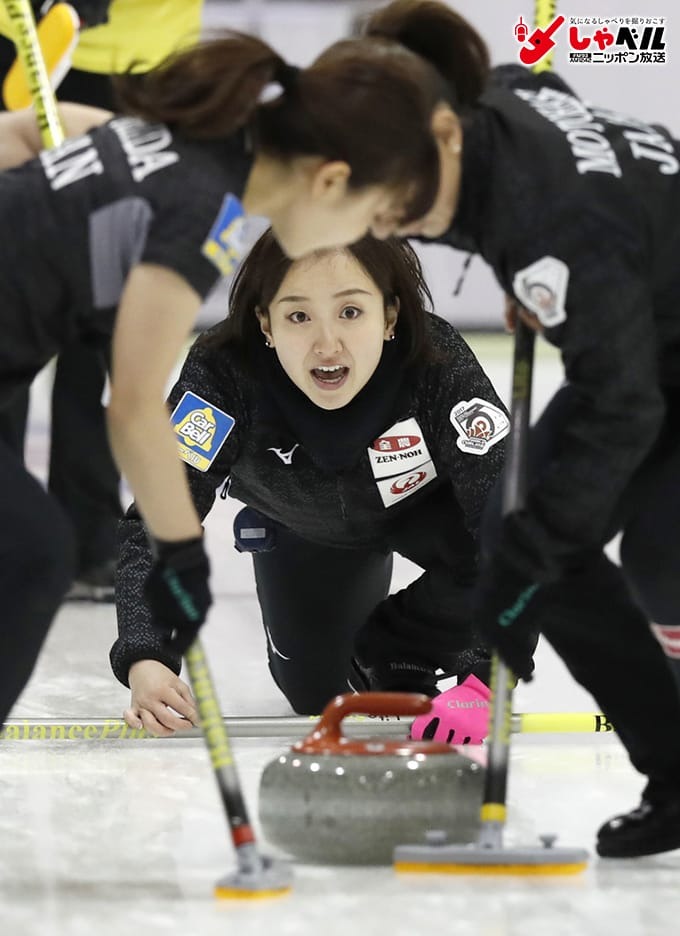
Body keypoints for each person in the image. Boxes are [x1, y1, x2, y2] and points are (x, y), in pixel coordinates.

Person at [0, 23, 473, 730]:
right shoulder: (204, 215)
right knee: (36, 553)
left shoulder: (173, 141)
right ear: (331, 180)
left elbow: (35, 132)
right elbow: (132, 410)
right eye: (370, 212)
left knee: (30, 544)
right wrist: (183, 557)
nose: (369, 231)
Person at [351, 0, 680, 859]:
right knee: (514, 533)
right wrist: (532, 275)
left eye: (390, 197)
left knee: (617, 548)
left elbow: (624, 408)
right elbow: (547, 80)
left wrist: (547, 544)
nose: (381, 224)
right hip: (650, 330)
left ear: (446, 136)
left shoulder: (557, 230)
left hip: (647, 363)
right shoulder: (496, 94)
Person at [110, 231, 507, 739]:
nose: (327, 345)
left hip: (427, 513)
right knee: (316, 695)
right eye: (298, 316)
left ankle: (403, 649)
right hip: (301, 521)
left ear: (390, 316)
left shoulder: (436, 360)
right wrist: (146, 655)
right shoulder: (223, 372)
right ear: (265, 324)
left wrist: (483, 680)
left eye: (350, 312)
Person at [0, 0, 203, 601]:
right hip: (28, 47)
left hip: (147, 70)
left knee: (107, 315)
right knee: (16, 279)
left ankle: (88, 537)